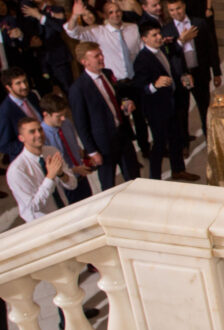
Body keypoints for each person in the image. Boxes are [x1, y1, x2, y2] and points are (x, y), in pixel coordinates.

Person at [68, 42, 141, 190]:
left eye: (101, 54)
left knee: (134, 176)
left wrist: (126, 103)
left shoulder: (108, 73)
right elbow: (81, 124)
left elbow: (117, 97)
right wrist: (92, 151)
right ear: (84, 62)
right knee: (108, 184)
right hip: (103, 144)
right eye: (96, 56)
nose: (102, 58)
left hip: (122, 134)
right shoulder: (78, 89)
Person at [132, 22, 199, 182]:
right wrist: (154, 85)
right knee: (160, 144)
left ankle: (178, 170)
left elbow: (171, 65)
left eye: (159, 34)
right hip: (157, 109)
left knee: (176, 138)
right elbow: (139, 86)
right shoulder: (142, 59)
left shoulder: (162, 49)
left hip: (171, 103)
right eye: (154, 35)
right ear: (144, 39)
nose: (159, 37)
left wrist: (182, 77)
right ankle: (154, 179)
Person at [162, 0, 221, 139]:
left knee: (204, 107)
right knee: (182, 110)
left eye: (178, 8)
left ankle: (209, 137)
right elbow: (168, 54)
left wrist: (217, 72)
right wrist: (181, 41)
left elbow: (211, 47)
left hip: (200, 71)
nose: (176, 12)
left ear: (184, 6)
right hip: (181, 75)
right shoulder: (166, 30)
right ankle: (184, 141)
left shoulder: (199, 23)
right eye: (172, 10)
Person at [7, 116, 77, 221]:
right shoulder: (17, 170)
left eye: (40, 130)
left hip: (64, 213)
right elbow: (32, 207)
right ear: (21, 138)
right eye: (32, 132)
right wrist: (50, 177)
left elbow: (72, 185)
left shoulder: (51, 151)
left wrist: (61, 174)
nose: (39, 134)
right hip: (42, 223)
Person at [39, 92, 92, 204]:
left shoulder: (67, 124)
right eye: (58, 116)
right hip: (65, 183)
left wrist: (84, 156)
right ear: (46, 114)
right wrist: (74, 170)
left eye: (65, 114)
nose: (63, 119)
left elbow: (75, 147)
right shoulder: (42, 136)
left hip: (81, 175)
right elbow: (51, 168)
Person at [0, 68, 43, 161]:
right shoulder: (5, 112)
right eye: (18, 83)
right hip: (28, 160)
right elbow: (4, 145)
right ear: (8, 87)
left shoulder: (32, 96)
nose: (24, 86)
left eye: (25, 81)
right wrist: (30, 145)